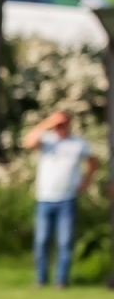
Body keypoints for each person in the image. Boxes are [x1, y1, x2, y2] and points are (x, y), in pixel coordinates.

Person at [23, 110, 98, 289]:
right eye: (57, 125)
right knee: (41, 241)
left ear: (69, 124)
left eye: (63, 124)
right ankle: (41, 279)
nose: (60, 128)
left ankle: (61, 280)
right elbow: (28, 142)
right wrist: (48, 122)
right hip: (45, 198)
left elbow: (93, 162)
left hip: (67, 199)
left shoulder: (78, 143)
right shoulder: (47, 140)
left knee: (64, 242)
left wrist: (86, 182)